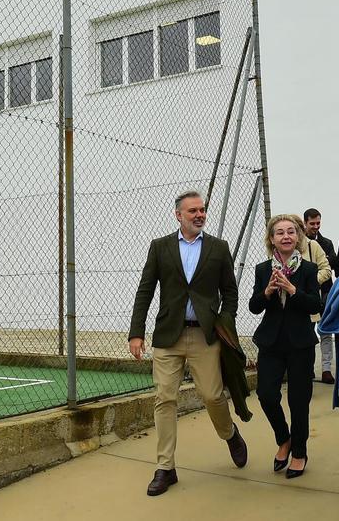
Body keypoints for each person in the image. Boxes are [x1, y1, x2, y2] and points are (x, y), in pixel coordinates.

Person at [128, 191, 248, 496]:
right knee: (164, 398)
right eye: (192, 211)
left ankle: (229, 433)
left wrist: (224, 320)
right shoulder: (160, 247)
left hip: (204, 335)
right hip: (168, 336)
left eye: (202, 210)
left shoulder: (219, 249)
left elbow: (230, 292)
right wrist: (136, 332)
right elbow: (145, 291)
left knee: (211, 395)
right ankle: (165, 468)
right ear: (178, 214)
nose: (199, 215)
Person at [251, 214, 323, 479]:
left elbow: (316, 306)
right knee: (266, 394)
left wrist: (293, 290)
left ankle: (300, 452)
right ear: (272, 239)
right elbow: (254, 306)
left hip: (300, 342)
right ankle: (284, 438)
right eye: (279, 233)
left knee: (298, 400)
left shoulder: (308, 270)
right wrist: (268, 291)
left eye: (291, 232)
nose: (286, 236)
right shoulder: (262, 269)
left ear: (298, 237)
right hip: (271, 341)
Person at [298, 212, 335, 383]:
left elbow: (331, 265)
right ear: (305, 223)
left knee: (326, 330)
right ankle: (308, 369)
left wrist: (313, 281)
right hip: (306, 296)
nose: (315, 227)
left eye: (318, 223)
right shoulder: (297, 244)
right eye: (312, 223)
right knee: (307, 331)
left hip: (325, 292)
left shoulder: (325, 243)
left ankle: (326, 369)